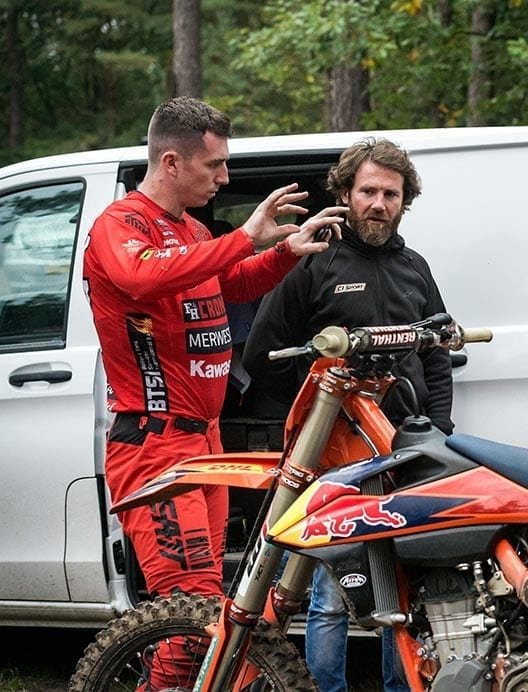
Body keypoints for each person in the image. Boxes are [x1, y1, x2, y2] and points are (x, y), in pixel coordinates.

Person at [82, 96, 345, 685]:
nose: (225, 177)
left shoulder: (193, 228)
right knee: (190, 617)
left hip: (205, 442)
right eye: (215, 166)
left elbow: (233, 283)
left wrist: (282, 252)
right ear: (171, 163)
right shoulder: (117, 226)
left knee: (211, 610)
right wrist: (244, 235)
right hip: (153, 447)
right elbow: (142, 276)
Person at [243, 137, 452, 692]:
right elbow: (262, 353)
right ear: (344, 193)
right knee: (331, 592)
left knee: (400, 591)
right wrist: (310, 414)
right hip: (333, 454)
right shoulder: (315, 259)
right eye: (368, 191)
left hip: (404, 450)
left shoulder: (416, 267)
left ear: (405, 201)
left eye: (391, 193)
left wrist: (440, 432)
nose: (379, 203)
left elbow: (438, 354)